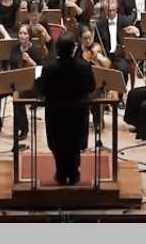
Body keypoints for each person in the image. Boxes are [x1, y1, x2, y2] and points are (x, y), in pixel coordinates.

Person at [35, 33, 96, 185]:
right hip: (78, 113)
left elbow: (42, 90)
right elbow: (91, 87)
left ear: (57, 49)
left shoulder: (49, 67)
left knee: (58, 144)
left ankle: (61, 173)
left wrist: (37, 82)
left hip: (56, 113)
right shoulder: (84, 66)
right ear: (74, 48)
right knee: (74, 144)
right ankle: (74, 173)